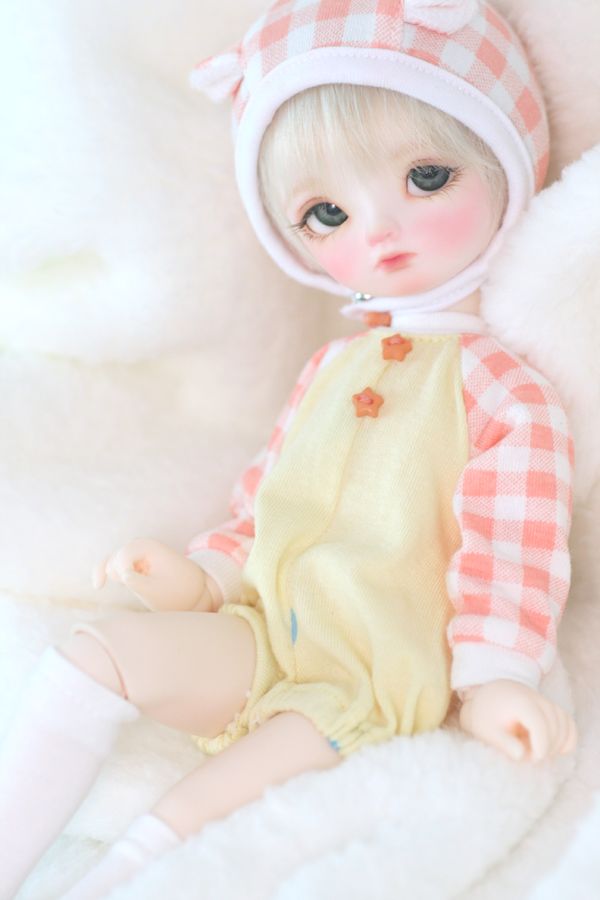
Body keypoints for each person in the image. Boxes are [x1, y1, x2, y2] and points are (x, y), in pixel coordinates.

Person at [0, 1, 577, 897]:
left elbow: (513, 551)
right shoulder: (328, 368)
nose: (377, 231)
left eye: (427, 176)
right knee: (88, 659)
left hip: (377, 670)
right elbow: (266, 502)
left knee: (188, 816)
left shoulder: (505, 391)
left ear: (506, 157)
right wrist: (200, 577)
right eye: (327, 212)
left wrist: (498, 677)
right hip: (262, 634)